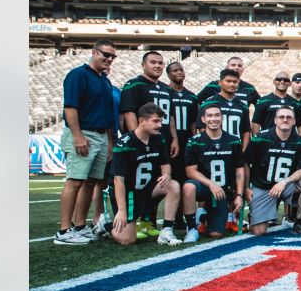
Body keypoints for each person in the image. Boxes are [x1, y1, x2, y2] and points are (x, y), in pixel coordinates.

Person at [56, 41, 118, 244]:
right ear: (94, 52)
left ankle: (80, 226)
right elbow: (70, 107)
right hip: (84, 133)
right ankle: (64, 230)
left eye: (112, 57)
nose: (109, 59)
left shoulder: (104, 81)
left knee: (91, 183)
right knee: (74, 180)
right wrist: (77, 136)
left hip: (101, 136)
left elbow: (108, 114)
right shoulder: (78, 74)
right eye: (105, 54)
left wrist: (109, 142)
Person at [109, 103, 182, 245]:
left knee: (173, 185)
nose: (160, 125)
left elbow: (165, 165)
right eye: (155, 121)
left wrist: (166, 175)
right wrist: (122, 211)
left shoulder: (159, 138)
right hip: (128, 193)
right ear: (142, 121)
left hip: (147, 189)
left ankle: (166, 230)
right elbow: (118, 180)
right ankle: (106, 226)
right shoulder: (125, 144)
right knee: (127, 240)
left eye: (161, 121)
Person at [245, 108, 301, 236]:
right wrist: (246, 187)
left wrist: (285, 181)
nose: (285, 119)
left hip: (286, 185)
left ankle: (299, 223)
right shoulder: (261, 138)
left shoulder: (300, 142)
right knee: (258, 231)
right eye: (281, 117)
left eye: (289, 117)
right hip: (263, 187)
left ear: (294, 121)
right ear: (275, 120)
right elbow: (245, 163)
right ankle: (257, 215)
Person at [181, 102, 245, 240]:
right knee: (188, 186)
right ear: (203, 119)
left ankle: (204, 216)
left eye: (217, 115)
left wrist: (239, 194)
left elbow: (239, 169)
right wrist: (211, 184)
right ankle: (192, 227)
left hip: (222, 192)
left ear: (222, 118)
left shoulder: (233, 140)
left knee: (215, 234)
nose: (213, 119)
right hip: (205, 188)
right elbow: (190, 172)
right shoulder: (195, 141)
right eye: (209, 116)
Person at [119, 50, 179, 160]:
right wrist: (137, 139)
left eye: (160, 63)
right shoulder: (134, 84)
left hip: (163, 141)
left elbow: (170, 116)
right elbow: (129, 113)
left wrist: (174, 139)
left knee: (164, 174)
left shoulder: (166, 89)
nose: (157, 66)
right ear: (143, 65)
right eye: (153, 62)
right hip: (143, 140)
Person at [199, 68, 251, 150]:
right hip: (213, 149)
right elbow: (202, 128)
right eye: (228, 81)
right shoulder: (208, 103)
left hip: (235, 149)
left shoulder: (243, 106)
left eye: (235, 82)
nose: (232, 84)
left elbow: (246, 131)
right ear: (220, 82)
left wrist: (243, 152)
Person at [165, 61, 198, 181]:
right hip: (169, 140)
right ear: (168, 75)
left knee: (184, 175)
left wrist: (194, 139)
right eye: (175, 70)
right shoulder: (164, 93)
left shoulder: (192, 96)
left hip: (186, 140)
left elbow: (194, 121)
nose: (179, 72)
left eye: (181, 70)